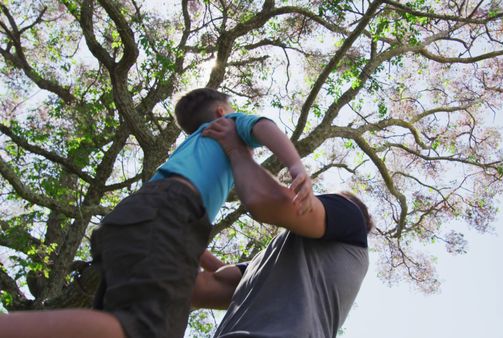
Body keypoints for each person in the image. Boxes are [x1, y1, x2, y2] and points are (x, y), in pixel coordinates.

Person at [0, 88, 312, 338]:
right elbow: (263, 125)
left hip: (131, 221)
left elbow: (179, 242)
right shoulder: (224, 126)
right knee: (146, 328)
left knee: (119, 324)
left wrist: (224, 271)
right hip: (163, 211)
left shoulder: (188, 154)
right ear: (221, 112)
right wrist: (296, 166)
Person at [190, 118, 371, 338]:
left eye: (326, 200)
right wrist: (182, 233)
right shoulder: (268, 261)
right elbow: (202, 288)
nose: (316, 198)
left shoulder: (350, 216)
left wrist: (235, 149)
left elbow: (265, 201)